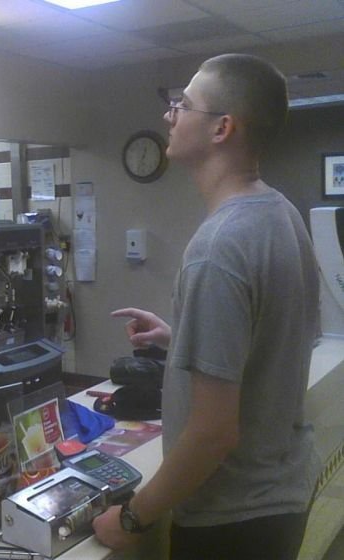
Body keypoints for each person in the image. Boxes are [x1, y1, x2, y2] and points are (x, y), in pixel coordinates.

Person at [92, 54, 321, 560]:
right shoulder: (281, 214)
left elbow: (214, 434)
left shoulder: (217, 247)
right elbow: (271, 343)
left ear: (222, 128)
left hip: (232, 520)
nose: (169, 115)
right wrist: (181, 339)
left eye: (183, 104)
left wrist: (132, 517)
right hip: (280, 499)